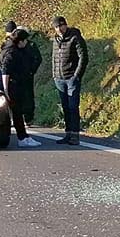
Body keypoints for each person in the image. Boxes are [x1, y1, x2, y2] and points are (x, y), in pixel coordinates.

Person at [0, 26, 42, 146]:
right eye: (25, 40)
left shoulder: (12, 49)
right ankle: (22, 138)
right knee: (16, 112)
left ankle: (23, 136)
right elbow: (5, 70)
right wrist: (6, 89)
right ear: (20, 41)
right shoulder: (11, 52)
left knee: (18, 112)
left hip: (17, 84)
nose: (26, 43)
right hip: (12, 86)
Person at [50, 15, 87, 144]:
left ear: (65, 25)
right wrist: (54, 74)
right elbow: (54, 57)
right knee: (65, 107)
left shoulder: (75, 37)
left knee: (72, 107)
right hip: (59, 78)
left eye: (61, 25)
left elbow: (83, 57)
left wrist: (77, 75)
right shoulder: (55, 40)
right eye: (56, 27)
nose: (59, 29)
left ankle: (75, 135)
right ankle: (68, 134)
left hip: (71, 78)